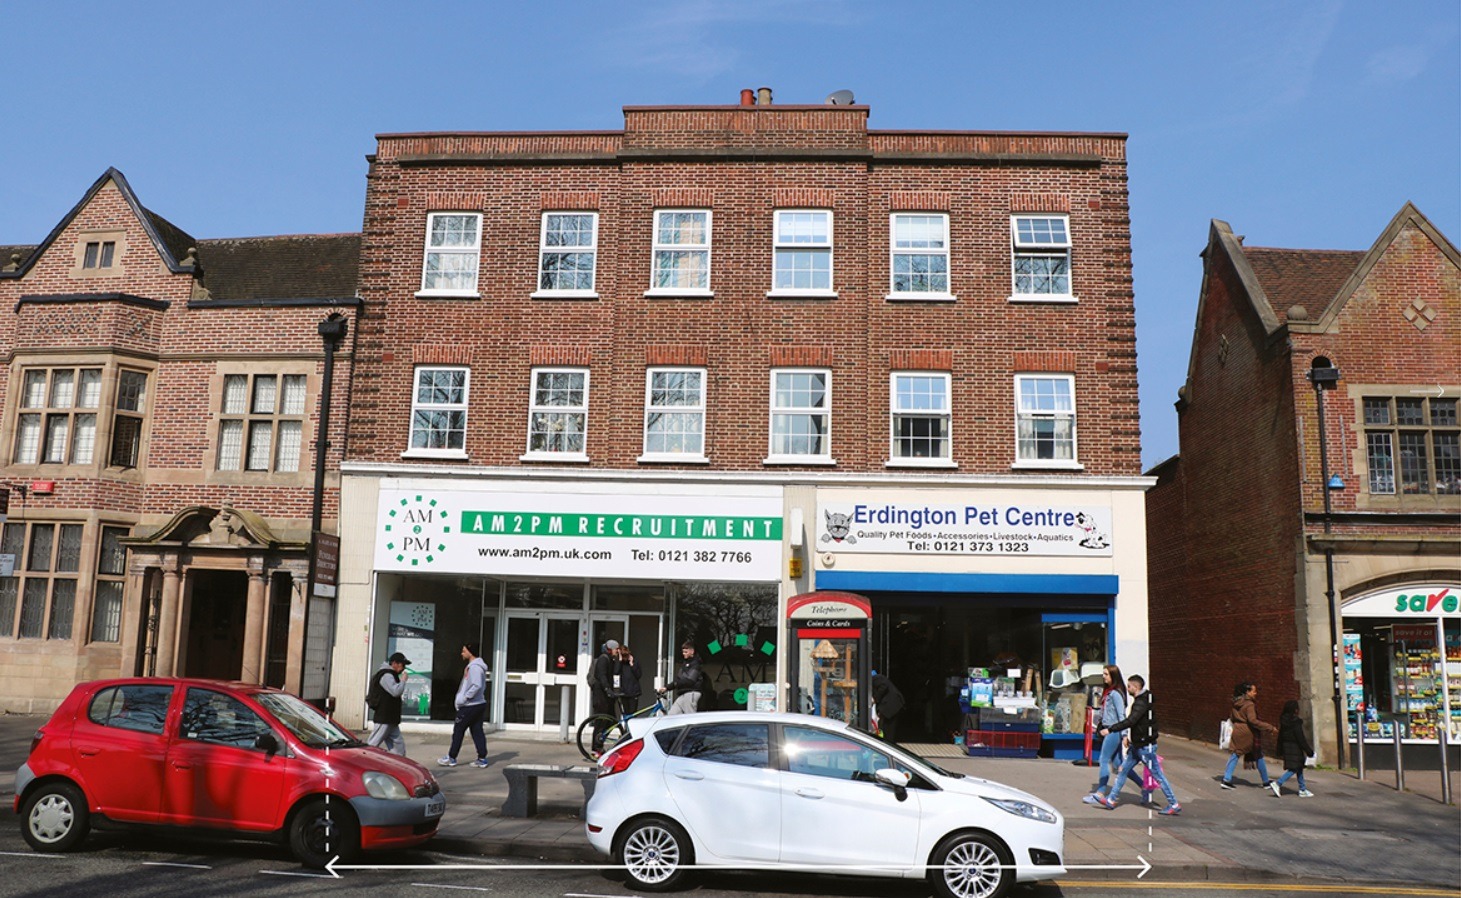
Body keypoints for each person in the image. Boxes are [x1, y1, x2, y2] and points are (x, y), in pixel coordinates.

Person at [1099, 674, 1181, 815]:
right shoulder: (1142, 700)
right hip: (1137, 745)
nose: (1127, 688)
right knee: (1123, 769)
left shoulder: (1141, 703)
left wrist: (1110, 729)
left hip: (1145, 747)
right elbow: (1139, 724)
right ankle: (1111, 799)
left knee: (1158, 775)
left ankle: (1173, 803)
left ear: (1136, 687)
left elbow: (1131, 721)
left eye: (1129, 686)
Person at [1082, 664, 1148, 806]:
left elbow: (1121, 715)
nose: (1103, 676)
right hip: (1109, 729)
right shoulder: (1109, 692)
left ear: (1113, 676)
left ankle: (1100, 792)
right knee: (1118, 764)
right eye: (1103, 674)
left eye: (1106, 674)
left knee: (1103, 759)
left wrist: (1124, 735)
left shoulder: (1116, 694)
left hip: (1113, 730)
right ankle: (1144, 786)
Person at [438, 642, 489, 768]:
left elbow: (476, 685)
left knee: (458, 731)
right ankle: (482, 758)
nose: (462, 653)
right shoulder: (474, 666)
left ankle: (451, 757)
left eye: (464, 651)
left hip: (470, 706)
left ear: (470, 652)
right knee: (477, 731)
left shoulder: (475, 668)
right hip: (477, 704)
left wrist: (466, 698)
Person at [1222, 682, 1276, 790]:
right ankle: (1227, 779)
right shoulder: (1249, 704)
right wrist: (1269, 727)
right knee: (1255, 755)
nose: (1255, 693)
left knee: (1238, 754)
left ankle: (1227, 779)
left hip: (1237, 730)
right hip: (1248, 732)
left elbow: (1232, 718)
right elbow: (1253, 721)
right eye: (1253, 691)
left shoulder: (1236, 703)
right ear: (1247, 692)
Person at [366, 651, 410, 755]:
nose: (403, 668)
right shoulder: (386, 675)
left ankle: (400, 766)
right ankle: (363, 760)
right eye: (402, 665)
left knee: (399, 747)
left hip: (391, 718)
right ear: (394, 663)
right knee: (373, 744)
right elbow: (396, 691)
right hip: (384, 717)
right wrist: (403, 681)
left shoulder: (391, 674)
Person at [1271, 700, 1315, 797]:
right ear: (1295, 710)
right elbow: (1300, 738)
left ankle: (1302, 789)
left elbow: (1280, 736)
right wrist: (1308, 751)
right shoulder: (1296, 722)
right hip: (1295, 747)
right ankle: (1278, 783)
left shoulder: (1283, 721)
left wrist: (1279, 749)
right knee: (1294, 768)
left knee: (1299, 767)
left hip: (1287, 746)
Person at [587, 640, 621, 754]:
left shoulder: (610, 660)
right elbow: (602, 676)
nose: (618, 651)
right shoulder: (603, 659)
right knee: (600, 722)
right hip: (601, 696)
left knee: (612, 721)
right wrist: (607, 689)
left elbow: (615, 672)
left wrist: (619, 660)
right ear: (610, 649)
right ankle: (596, 747)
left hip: (607, 696)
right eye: (616, 649)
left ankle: (600, 741)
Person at [666, 641, 706, 715]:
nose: (683, 654)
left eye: (686, 652)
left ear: (692, 651)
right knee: (671, 715)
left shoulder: (696, 664)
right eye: (683, 652)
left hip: (691, 693)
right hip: (683, 693)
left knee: (690, 718)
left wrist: (675, 684)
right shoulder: (685, 664)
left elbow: (690, 680)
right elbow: (678, 678)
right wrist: (667, 688)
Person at [870, 671, 905, 741]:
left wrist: (875, 698)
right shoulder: (877, 679)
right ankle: (888, 740)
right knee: (887, 726)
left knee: (886, 726)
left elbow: (884, 686)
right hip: (892, 705)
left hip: (891, 705)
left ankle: (887, 742)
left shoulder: (875, 678)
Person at [617, 643, 644, 714]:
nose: (625, 658)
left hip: (633, 692)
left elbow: (638, 675)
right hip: (624, 692)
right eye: (623, 656)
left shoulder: (635, 662)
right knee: (625, 713)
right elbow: (616, 672)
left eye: (626, 655)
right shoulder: (621, 664)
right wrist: (620, 660)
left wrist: (632, 664)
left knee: (633, 713)